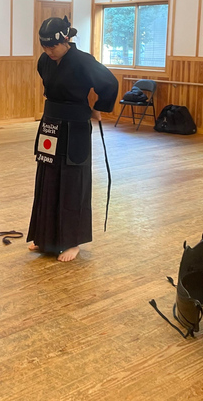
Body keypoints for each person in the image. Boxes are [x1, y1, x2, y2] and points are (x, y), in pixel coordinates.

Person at [27, 16, 119, 262]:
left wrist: (98, 106)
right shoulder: (45, 60)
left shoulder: (83, 60)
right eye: (44, 47)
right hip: (50, 124)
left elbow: (109, 82)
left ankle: (72, 241)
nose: (48, 51)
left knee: (72, 179)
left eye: (52, 47)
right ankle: (44, 237)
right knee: (47, 178)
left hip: (75, 124)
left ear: (65, 40)